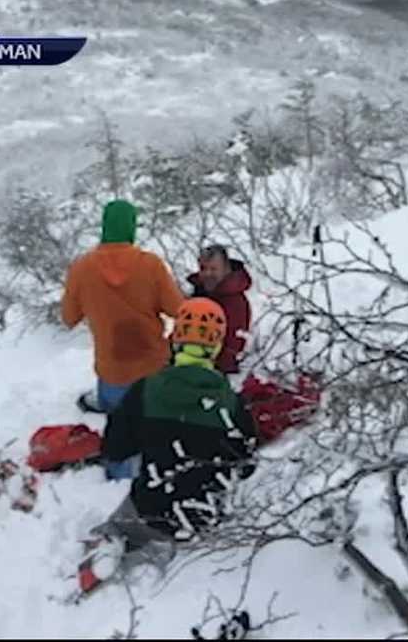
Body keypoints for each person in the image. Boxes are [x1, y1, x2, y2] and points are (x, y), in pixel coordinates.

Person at [81, 298, 259, 587]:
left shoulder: (145, 390)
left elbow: (114, 450)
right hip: (206, 519)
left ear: (176, 337)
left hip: (148, 511)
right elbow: (247, 463)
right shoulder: (232, 403)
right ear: (216, 345)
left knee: (116, 526)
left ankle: (109, 551)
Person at [60, 199, 185, 478]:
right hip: (153, 365)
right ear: (131, 227)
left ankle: (119, 473)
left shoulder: (82, 268)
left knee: (118, 424)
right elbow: (178, 310)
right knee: (154, 422)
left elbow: (69, 318)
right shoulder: (150, 265)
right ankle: (154, 468)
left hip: (112, 368)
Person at [186, 244, 252, 376]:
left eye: (214, 269)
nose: (208, 274)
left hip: (214, 373)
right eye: (203, 269)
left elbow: (232, 348)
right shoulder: (197, 293)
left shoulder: (235, 303)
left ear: (226, 269)